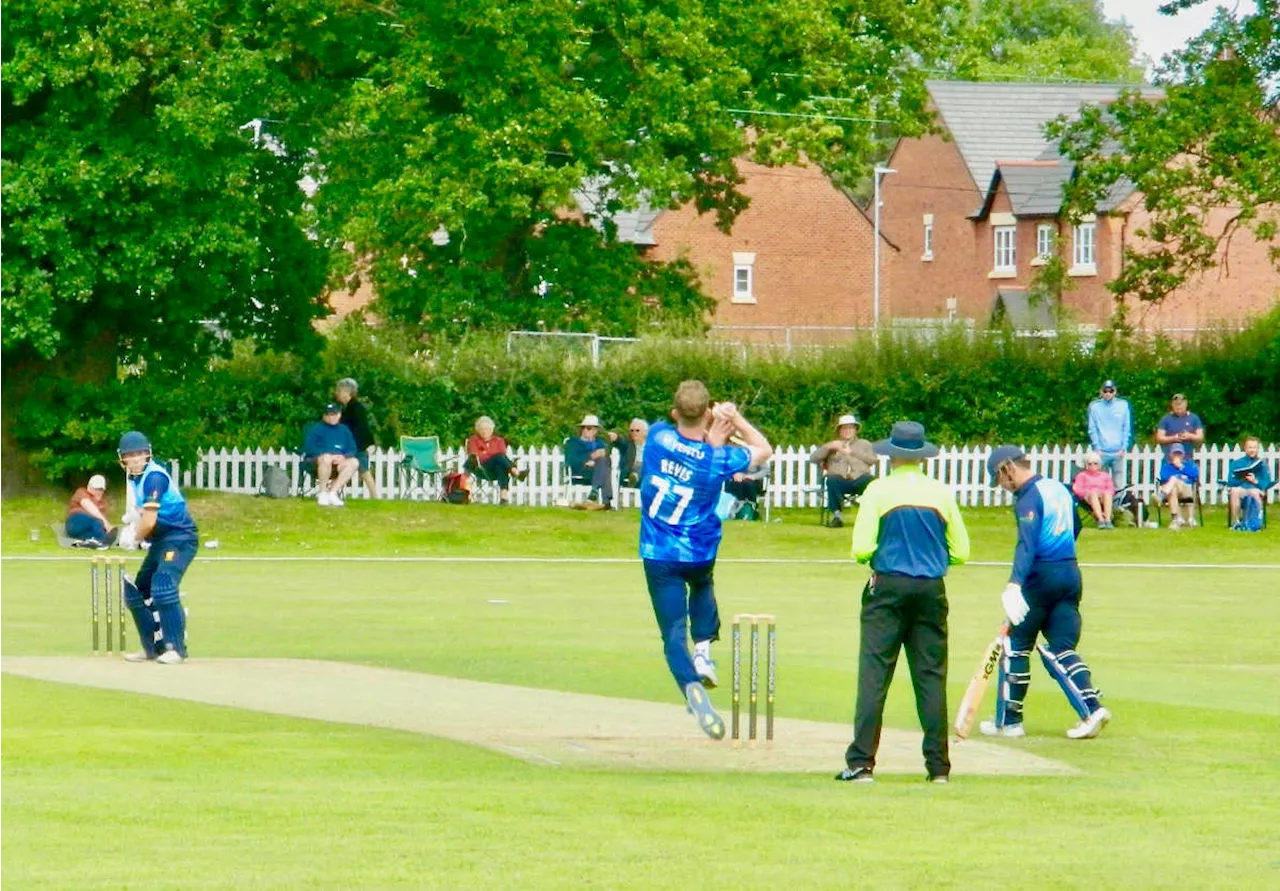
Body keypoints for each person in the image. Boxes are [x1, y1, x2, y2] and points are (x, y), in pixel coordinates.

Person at [837, 421, 970, 785]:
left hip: (888, 587)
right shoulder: (940, 493)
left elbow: (861, 548)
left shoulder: (879, 491)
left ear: (890, 455)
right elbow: (961, 551)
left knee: (875, 675)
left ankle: (861, 763)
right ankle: (938, 768)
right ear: (922, 457)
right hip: (930, 587)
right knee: (930, 677)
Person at [640, 381, 772, 740]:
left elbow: (681, 446)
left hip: (658, 552)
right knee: (702, 582)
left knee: (670, 634)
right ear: (708, 413)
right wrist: (735, 418)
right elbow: (764, 449)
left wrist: (709, 431)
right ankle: (703, 652)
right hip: (698, 551)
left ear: (674, 413)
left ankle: (690, 686)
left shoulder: (656, 437)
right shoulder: (718, 459)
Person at [981, 446, 1111, 740]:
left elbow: (1026, 544)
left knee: (1016, 644)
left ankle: (1008, 721)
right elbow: (1077, 524)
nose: (1003, 486)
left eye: (1000, 479)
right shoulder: (1059, 487)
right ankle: (1092, 708)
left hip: (1041, 576)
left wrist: (1015, 583)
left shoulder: (1028, 497)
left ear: (1008, 469)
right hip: (1070, 572)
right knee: (1061, 647)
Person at [117, 431, 197, 664]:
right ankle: (151, 648)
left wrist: (134, 538)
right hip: (162, 540)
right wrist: (134, 521)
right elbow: (146, 515)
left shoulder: (154, 477)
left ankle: (176, 649)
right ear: (122, 459)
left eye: (140, 454)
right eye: (130, 455)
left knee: (163, 584)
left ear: (148, 454)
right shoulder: (135, 480)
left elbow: (150, 521)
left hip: (181, 537)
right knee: (138, 591)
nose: (135, 459)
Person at [810, 414, 877, 528]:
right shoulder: (833, 445)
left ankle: (870, 517)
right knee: (831, 480)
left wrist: (852, 452)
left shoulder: (864, 444)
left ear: (855, 430)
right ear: (839, 430)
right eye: (844, 428)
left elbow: (873, 460)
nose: (847, 431)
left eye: (850, 428)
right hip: (839, 480)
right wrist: (828, 447)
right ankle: (837, 516)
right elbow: (813, 458)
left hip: (859, 478)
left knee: (871, 481)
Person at [302, 403, 360, 507]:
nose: (331, 417)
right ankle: (323, 493)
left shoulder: (344, 430)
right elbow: (309, 447)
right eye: (328, 414)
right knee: (326, 458)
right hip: (318, 462)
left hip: (339, 462)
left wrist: (344, 457)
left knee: (354, 462)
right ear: (324, 415)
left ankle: (333, 493)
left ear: (339, 415)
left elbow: (352, 448)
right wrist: (328, 455)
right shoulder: (316, 429)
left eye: (334, 414)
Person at [464, 416, 526, 504]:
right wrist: (490, 454)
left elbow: (502, 454)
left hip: (495, 469)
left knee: (501, 467)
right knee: (499, 457)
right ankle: (516, 472)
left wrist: (486, 452)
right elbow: (474, 454)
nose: (485, 431)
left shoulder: (499, 440)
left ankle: (503, 499)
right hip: (481, 467)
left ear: (492, 430)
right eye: (482, 429)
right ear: (478, 430)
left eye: (487, 429)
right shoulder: (474, 439)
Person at [335, 378, 378, 499]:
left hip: (357, 446)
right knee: (362, 472)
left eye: (339, 390)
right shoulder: (349, 407)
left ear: (346, 391)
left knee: (364, 472)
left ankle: (375, 496)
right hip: (354, 445)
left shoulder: (355, 408)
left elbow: (361, 429)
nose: (337, 393)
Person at [1086, 380, 1132, 489]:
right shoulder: (1095, 407)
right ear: (1101, 392)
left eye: (1111, 391)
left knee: (1118, 483)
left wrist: (1123, 447)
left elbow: (1126, 428)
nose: (1108, 393)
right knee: (1100, 482)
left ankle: (1117, 504)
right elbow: (1092, 428)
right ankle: (1102, 505)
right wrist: (1097, 448)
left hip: (1118, 451)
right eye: (1105, 391)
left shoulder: (1123, 405)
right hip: (1101, 451)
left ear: (1115, 391)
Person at [566, 414, 615, 510]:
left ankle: (594, 492)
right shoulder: (573, 442)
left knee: (604, 461)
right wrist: (590, 458)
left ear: (595, 431)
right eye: (584, 428)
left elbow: (608, 457)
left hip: (597, 470)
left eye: (589, 428)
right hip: (582, 469)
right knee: (604, 467)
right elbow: (571, 459)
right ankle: (606, 501)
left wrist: (601, 456)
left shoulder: (600, 443)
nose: (585, 430)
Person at [1227, 435, 1272, 530]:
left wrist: (1255, 481)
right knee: (1234, 491)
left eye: (1255, 448)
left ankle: (1255, 522)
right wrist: (1242, 478)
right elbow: (1230, 482)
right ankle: (1236, 522)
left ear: (1258, 449)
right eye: (1250, 447)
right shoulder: (1236, 463)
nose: (1252, 450)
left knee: (1254, 492)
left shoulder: (1262, 464)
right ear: (1245, 448)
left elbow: (1267, 483)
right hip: (1241, 488)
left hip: (1255, 489)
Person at [65, 474, 119, 547]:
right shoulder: (82, 492)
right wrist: (106, 524)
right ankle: (103, 541)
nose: (98, 491)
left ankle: (94, 542)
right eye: (95, 489)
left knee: (94, 533)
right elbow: (88, 505)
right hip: (75, 521)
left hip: (85, 530)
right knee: (97, 521)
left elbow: (100, 523)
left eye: (100, 489)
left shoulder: (103, 502)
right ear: (89, 487)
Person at [1158, 443, 1200, 529]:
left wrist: (1181, 467)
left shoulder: (1189, 465)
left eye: (1179, 453)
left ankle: (1162, 495)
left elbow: (1194, 475)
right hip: (1173, 491)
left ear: (1183, 455)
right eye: (1175, 453)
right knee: (1173, 489)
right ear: (1170, 455)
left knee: (1174, 478)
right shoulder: (1167, 466)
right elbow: (1163, 477)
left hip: (1187, 489)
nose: (1177, 456)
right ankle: (1176, 519)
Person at [1072, 451, 1116, 528]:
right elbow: (1077, 489)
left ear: (1099, 465)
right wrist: (1088, 493)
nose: (1093, 465)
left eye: (1095, 463)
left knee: (1107, 494)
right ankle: (1101, 520)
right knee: (1093, 494)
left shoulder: (1105, 476)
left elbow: (1111, 488)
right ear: (1086, 465)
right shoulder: (1081, 475)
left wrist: (1102, 493)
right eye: (1090, 463)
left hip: (1103, 496)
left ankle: (1108, 520)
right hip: (1087, 497)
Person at [1155, 393, 1205, 458]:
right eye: (1176, 404)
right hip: (1169, 460)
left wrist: (1189, 436)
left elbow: (1200, 437)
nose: (1178, 406)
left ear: (1186, 404)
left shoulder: (1194, 418)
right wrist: (1173, 438)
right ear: (1172, 405)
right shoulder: (1165, 419)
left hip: (1187, 458)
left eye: (1180, 404)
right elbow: (1159, 438)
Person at [610, 418, 649, 487]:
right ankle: (634, 477)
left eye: (637, 430)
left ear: (645, 432)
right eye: (632, 431)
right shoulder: (628, 444)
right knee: (638, 466)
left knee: (643, 465)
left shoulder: (651, 446)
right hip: (629, 472)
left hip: (647, 474)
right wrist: (615, 437)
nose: (634, 433)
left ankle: (635, 477)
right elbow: (620, 441)